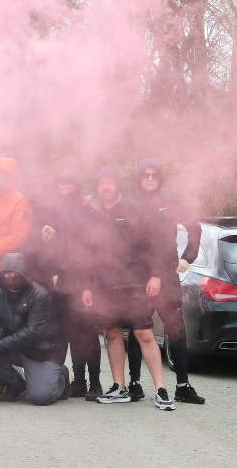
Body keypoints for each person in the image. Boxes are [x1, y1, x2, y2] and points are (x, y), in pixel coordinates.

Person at [81, 167, 175, 411]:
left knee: (144, 335)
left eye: (110, 182)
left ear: (118, 185)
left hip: (135, 283)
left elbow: (152, 245)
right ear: (97, 188)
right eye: (101, 183)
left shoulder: (135, 210)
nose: (106, 187)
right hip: (104, 286)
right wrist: (88, 286)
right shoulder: (91, 215)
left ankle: (162, 390)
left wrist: (155, 275)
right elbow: (88, 254)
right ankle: (118, 387)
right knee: (112, 334)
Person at [127, 159, 205, 404]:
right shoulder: (130, 204)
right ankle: (134, 384)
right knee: (138, 329)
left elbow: (194, 227)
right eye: (145, 175)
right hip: (138, 276)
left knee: (176, 330)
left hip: (166, 275)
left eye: (154, 175)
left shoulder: (171, 203)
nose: (150, 179)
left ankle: (183, 386)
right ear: (139, 178)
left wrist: (187, 257)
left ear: (160, 179)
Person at [0, 253, 70, 405]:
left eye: (15, 273)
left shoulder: (39, 295)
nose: (10, 277)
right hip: (16, 348)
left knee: (40, 397)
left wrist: (0, 345)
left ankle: (61, 377)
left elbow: (33, 332)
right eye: (6, 273)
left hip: (43, 352)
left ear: (25, 273)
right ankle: (16, 383)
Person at [37, 170, 103, 400]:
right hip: (61, 284)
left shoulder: (89, 214)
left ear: (78, 187)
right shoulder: (54, 214)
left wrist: (87, 285)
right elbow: (48, 249)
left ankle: (95, 383)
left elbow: (95, 253)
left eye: (69, 185)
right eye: (60, 185)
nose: (64, 190)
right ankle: (79, 381)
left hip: (85, 283)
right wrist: (52, 270)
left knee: (89, 335)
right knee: (71, 334)